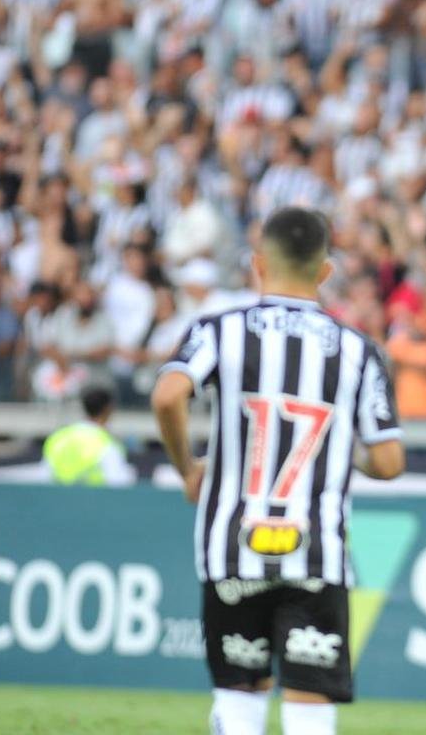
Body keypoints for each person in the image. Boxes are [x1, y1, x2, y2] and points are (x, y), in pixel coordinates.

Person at [151, 207, 406, 735]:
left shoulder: (220, 330)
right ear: (326, 271)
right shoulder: (359, 350)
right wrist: (337, 449)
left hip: (231, 544)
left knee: (239, 697)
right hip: (317, 552)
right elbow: (388, 461)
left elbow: (167, 394)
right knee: (310, 706)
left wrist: (188, 469)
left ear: (259, 264)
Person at [43, 385, 133, 486]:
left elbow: (45, 475)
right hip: (95, 500)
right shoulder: (106, 443)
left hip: (57, 500)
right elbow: (119, 482)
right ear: (108, 409)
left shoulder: (58, 438)